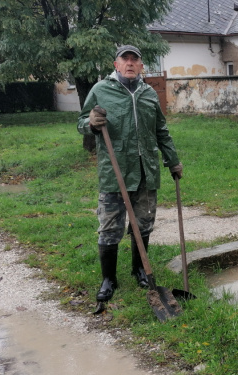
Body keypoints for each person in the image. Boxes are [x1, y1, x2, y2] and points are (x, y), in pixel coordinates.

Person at [77, 45, 183, 302]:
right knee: (110, 227)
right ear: (116, 64)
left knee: (143, 223)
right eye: (125, 59)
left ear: (141, 66)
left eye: (135, 60)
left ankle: (139, 270)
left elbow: (161, 130)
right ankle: (108, 279)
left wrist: (173, 161)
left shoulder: (148, 93)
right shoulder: (101, 90)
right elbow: (81, 123)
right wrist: (91, 122)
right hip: (115, 171)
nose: (130, 63)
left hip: (146, 170)